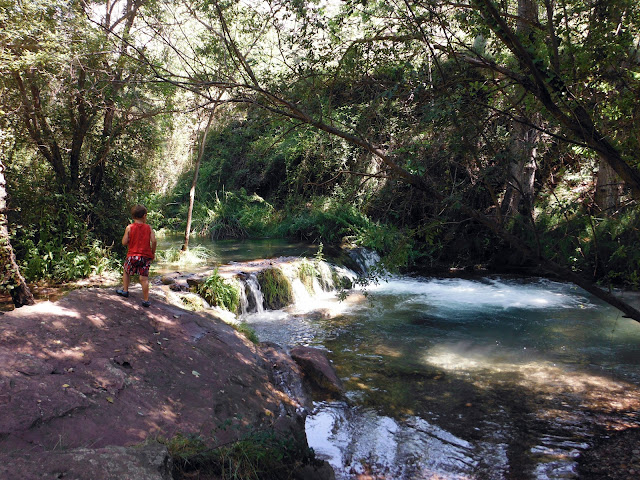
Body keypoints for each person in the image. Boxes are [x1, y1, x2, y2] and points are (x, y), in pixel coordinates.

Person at [116, 204, 157, 307]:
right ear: (144, 216)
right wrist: (153, 253)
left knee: (126, 271)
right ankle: (146, 300)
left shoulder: (129, 227)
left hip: (132, 256)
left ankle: (125, 290)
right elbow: (154, 241)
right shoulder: (148, 228)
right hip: (145, 257)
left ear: (133, 216)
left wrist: (130, 239)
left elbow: (124, 242)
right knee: (144, 279)